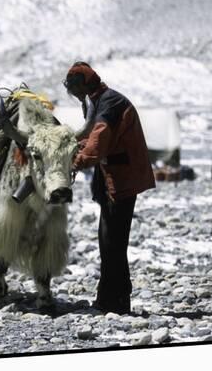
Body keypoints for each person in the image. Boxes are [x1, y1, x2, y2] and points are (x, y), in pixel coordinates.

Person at [65, 61, 156, 314]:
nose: (74, 94)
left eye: (75, 88)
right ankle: (110, 298)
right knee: (109, 241)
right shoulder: (98, 100)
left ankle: (116, 301)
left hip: (122, 180)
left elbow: (98, 139)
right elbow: (91, 138)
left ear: (84, 84)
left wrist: (74, 161)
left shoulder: (109, 104)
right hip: (111, 179)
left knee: (113, 242)